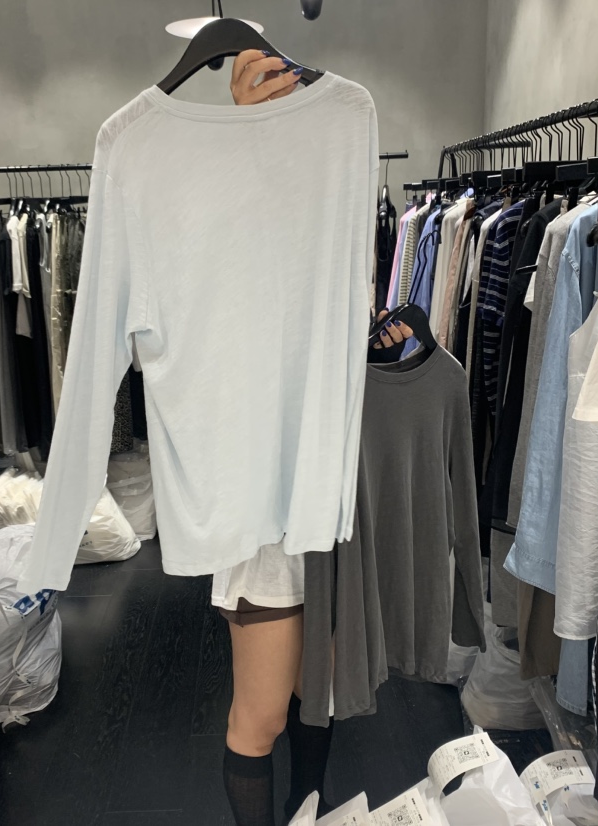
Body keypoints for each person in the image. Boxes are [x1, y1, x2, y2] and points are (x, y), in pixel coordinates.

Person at [220, 51, 410, 826]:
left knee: (315, 694)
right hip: (264, 500)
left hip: (332, 489)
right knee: (261, 713)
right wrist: (243, 146)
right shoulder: (229, 210)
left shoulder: (341, 224)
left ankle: (311, 813)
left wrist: (378, 347)